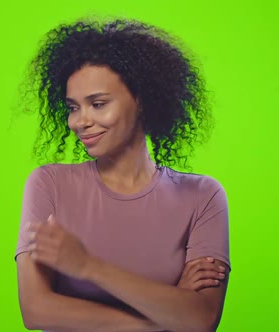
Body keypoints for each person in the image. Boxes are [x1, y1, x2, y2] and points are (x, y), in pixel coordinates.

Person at [14, 17, 231, 332]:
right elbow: (36, 311)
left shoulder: (203, 196)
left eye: (98, 104)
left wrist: (87, 266)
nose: (79, 121)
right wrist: (165, 316)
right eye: (73, 107)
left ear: (141, 100)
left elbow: (201, 319)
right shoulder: (49, 184)